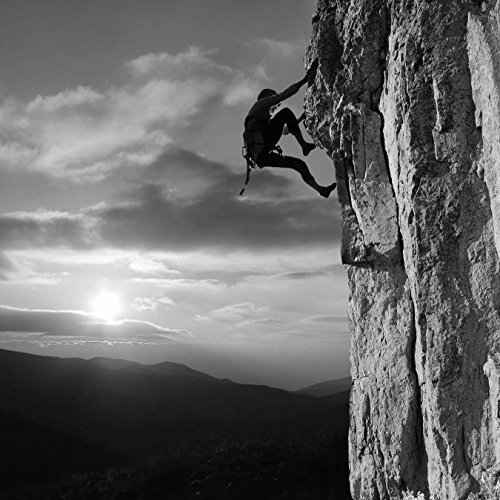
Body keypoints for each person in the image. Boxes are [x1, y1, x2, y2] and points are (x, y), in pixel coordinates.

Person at [243, 63, 336, 198]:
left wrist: (301, 118)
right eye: (272, 97)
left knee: (298, 164)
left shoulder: (262, 119)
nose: (275, 106)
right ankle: (303, 145)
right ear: (267, 96)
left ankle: (321, 190)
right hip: (264, 145)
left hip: (262, 157)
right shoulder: (260, 105)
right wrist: (305, 79)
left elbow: (285, 131)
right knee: (285, 112)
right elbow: (285, 95)